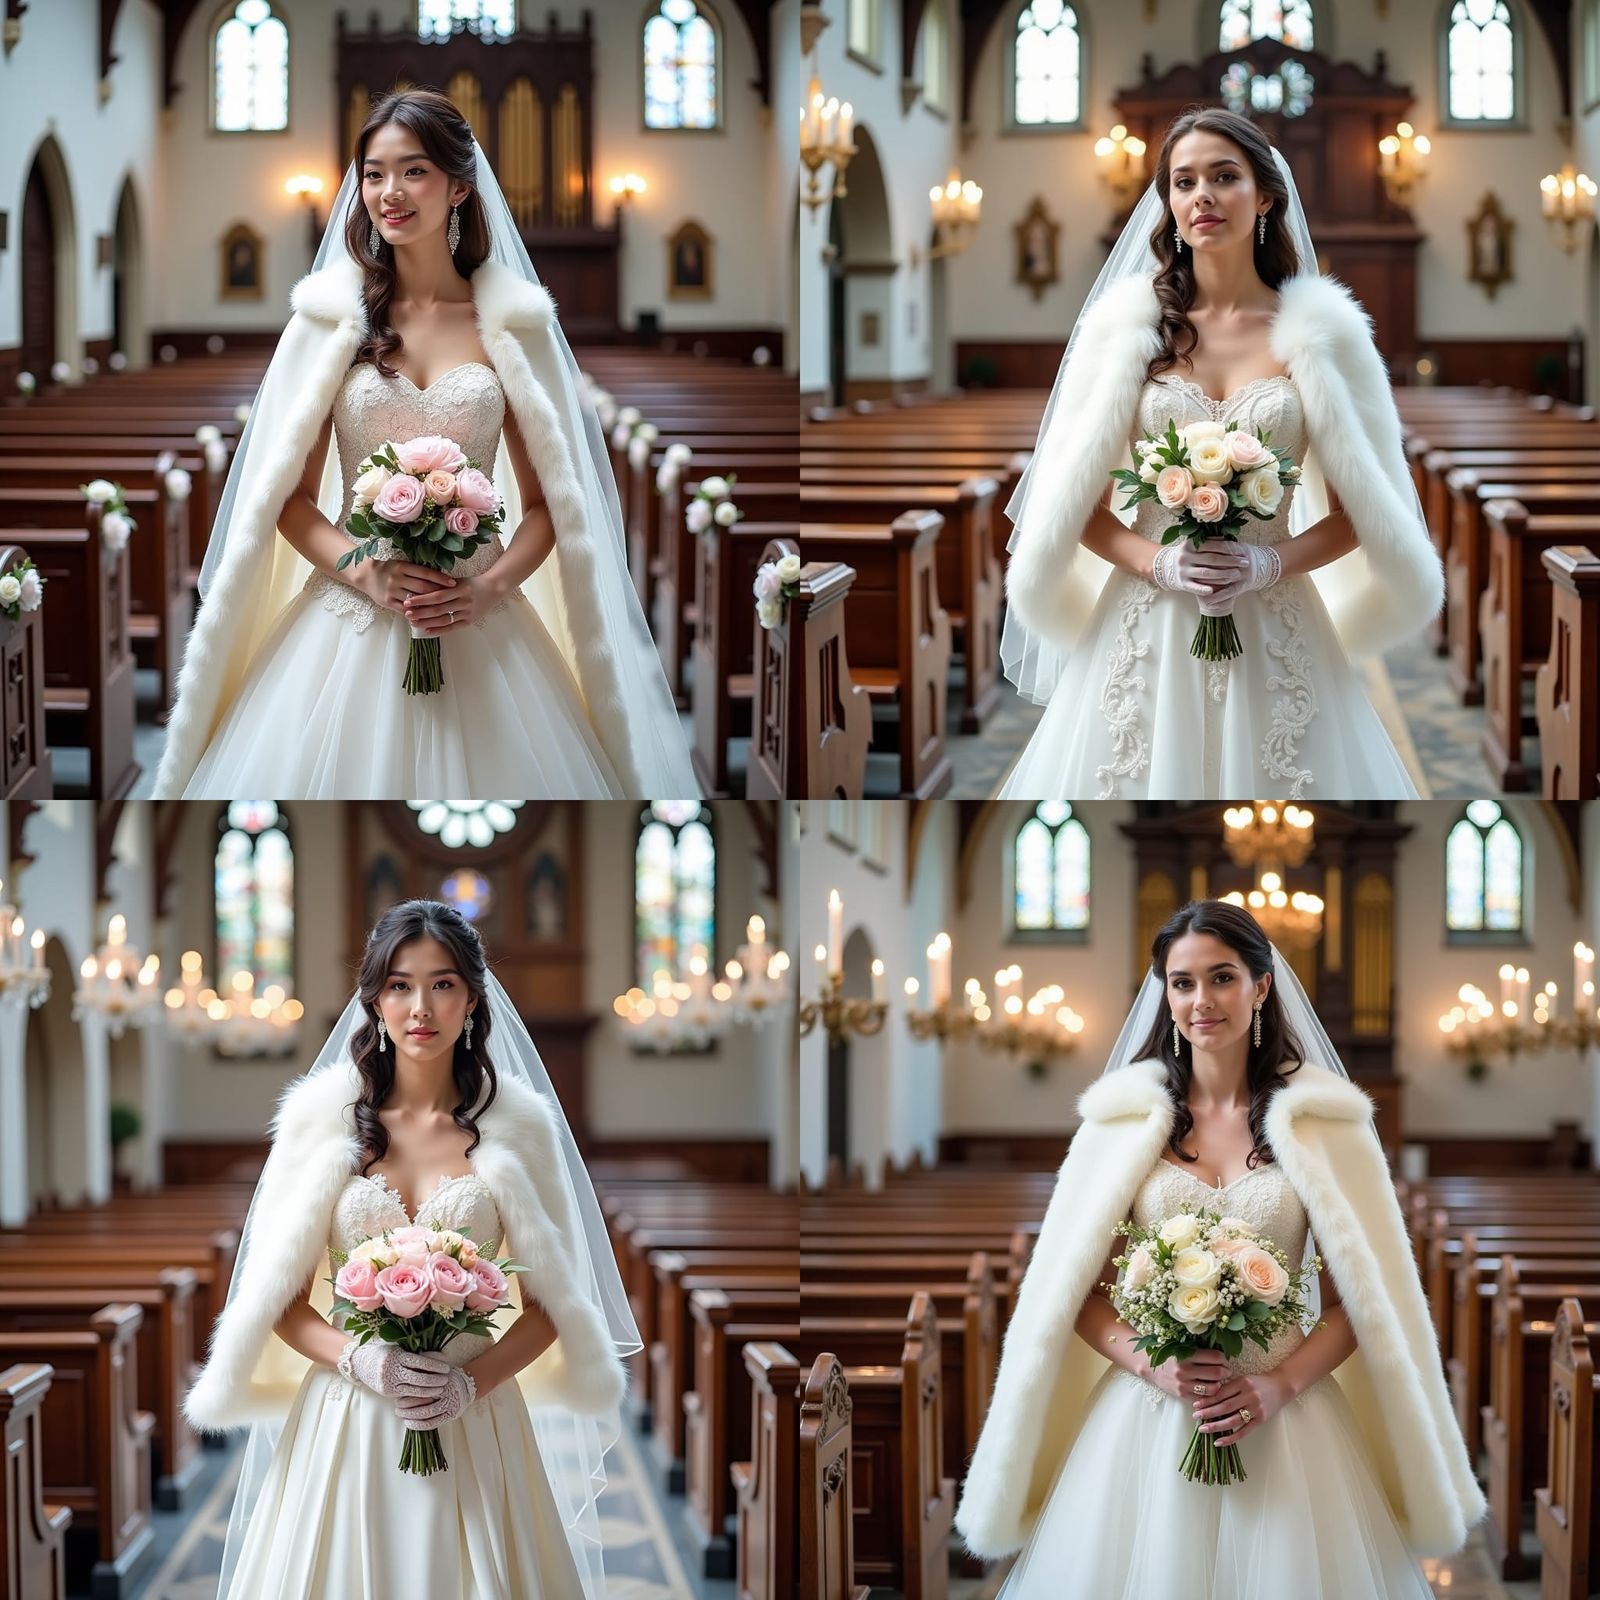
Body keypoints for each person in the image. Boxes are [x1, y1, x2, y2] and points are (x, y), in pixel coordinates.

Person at [155, 87, 698, 800]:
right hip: (349, 614)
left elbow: (550, 507)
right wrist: (366, 575)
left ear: (459, 186)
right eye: (374, 174)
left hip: (480, 615)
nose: (390, 192)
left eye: (414, 171)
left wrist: (486, 588)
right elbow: (287, 500)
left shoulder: (510, 326)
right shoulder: (330, 323)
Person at [955, 899, 1484, 1599]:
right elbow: (1075, 1293)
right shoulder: (1121, 1124)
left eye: (1222, 978)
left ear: (1260, 986)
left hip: (1285, 1417)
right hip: (1150, 1416)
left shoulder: (1325, 1124)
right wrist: (1153, 1364)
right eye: (1182, 982)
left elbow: (1360, 1304)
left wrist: (1277, 1386)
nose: (1201, 1000)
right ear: (1165, 994)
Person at [183, 899, 637, 1599]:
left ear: (472, 1001)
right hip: (348, 1415)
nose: (420, 1007)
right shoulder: (318, 1122)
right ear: (375, 1000)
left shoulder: (520, 1128)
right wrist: (363, 1360)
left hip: (476, 1415)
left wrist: (467, 1385)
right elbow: (280, 1302)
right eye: (400, 985)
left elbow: (554, 1308)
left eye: (442, 984)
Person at [998, 108, 1442, 800]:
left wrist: (1267, 563)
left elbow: (1364, 513)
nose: (1201, 195)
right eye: (1184, 182)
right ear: (1169, 204)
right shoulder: (1124, 331)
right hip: (1147, 615)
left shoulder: (1326, 334)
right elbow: (1073, 507)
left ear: (1264, 197)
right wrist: (1160, 562)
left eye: (1224, 177)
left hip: (1274, 614)